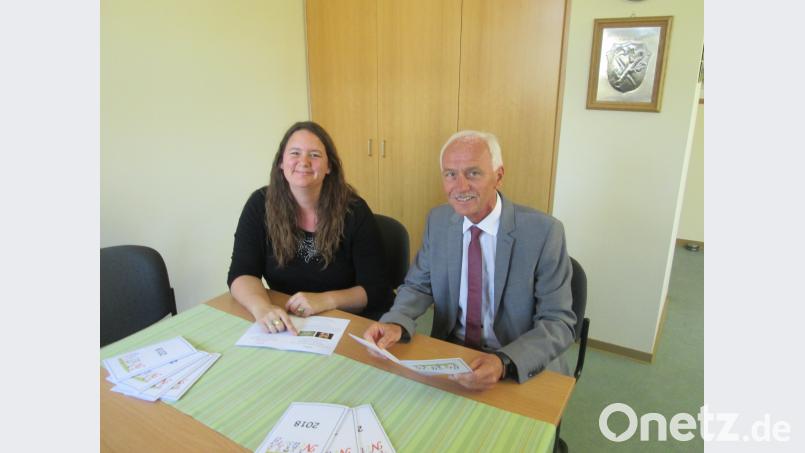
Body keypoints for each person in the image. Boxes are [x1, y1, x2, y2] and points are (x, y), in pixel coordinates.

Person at [362, 130, 576, 391]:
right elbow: (418, 285)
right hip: (453, 355)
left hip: (516, 359)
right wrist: (396, 321)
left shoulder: (543, 232)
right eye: (450, 174)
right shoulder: (438, 222)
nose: (460, 187)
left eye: (473, 173)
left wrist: (504, 362)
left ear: (499, 175)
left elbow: (558, 322)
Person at [228, 121, 393, 335]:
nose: (303, 162)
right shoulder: (259, 205)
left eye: (314, 155)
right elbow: (242, 273)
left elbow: (377, 289)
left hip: (349, 321)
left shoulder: (354, 211)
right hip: (290, 324)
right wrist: (262, 308)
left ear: (329, 166)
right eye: (295, 153)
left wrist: (325, 300)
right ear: (281, 162)